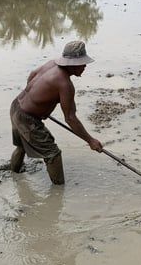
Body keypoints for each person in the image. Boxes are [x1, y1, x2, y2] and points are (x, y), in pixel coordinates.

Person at [10, 41, 103, 184]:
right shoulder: (65, 84)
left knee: (22, 146)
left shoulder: (51, 64)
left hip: (17, 105)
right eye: (82, 63)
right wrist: (90, 141)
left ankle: (13, 176)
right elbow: (71, 118)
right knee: (52, 153)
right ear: (72, 64)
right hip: (27, 119)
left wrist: (38, 102)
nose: (85, 66)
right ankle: (59, 192)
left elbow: (32, 74)